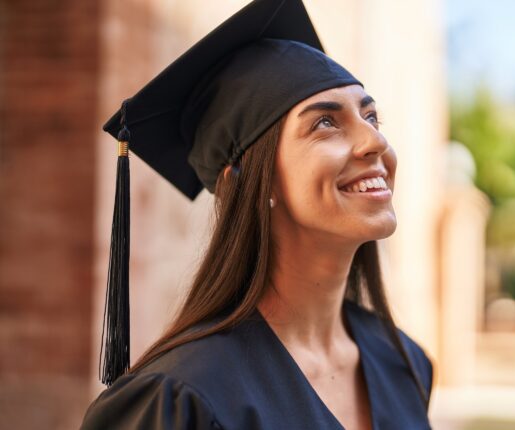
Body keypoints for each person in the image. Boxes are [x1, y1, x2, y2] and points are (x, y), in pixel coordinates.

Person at [80, 0, 434, 429]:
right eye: (325, 123)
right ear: (245, 183)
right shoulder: (182, 397)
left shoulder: (403, 363)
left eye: (371, 115)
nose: (374, 141)